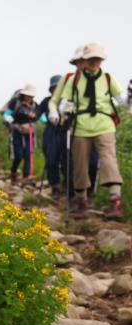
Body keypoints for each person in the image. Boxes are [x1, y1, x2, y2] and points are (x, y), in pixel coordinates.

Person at [60, 42, 124, 219]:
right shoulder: (74, 80)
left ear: (102, 60)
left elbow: (123, 101)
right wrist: (64, 110)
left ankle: (114, 201)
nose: (95, 62)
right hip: (80, 126)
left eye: (98, 59)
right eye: (91, 59)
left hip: (104, 124)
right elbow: (65, 102)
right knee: (79, 163)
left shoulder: (108, 79)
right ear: (85, 60)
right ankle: (82, 201)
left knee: (108, 159)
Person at [49, 45, 99, 200]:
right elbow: (58, 101)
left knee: (92, 161)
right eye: (78, 62)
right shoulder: (69, 78)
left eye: (82, 61)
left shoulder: (96, 79)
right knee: (69, 161)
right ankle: (72, 193)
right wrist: (58, 111)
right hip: (69, 126)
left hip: (91, 126)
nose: (80, 65)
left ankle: (88, 192)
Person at [3, 84, 38, 184]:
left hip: (29, 132)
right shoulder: (15, 102)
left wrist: (39, 118)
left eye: (31, 96)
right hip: (16, 130)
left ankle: (26, 177)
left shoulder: (34, 105)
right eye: (28, 95)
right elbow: (6, 113)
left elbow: (40, 116)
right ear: (23, 94)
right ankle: (13, 172)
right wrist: (9, 119)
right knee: (18, 154)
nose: (29, 98)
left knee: (28, 154)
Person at [37, 75, 63, 198]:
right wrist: (34, 115)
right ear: (51, 89)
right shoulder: (46, 101)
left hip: (65, 130)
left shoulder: (68, 101)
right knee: (51, 159)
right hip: (51, 130)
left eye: (59, 87)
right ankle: (55, 186)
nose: (56, 89)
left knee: (67, 160)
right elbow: (37, 112)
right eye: (54, 87)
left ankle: (69, 186)